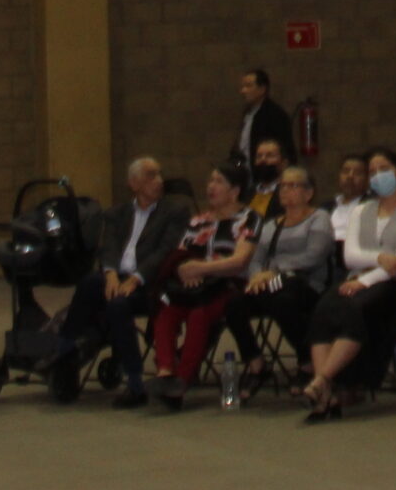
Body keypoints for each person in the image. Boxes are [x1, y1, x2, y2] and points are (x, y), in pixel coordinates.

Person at [301, 147, 396, 422]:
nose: (378, 176)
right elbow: (350, 256)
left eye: (384, 169)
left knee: (354, 307)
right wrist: (379, 258)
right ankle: (325, 391)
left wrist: (366, 280)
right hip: (358, 278)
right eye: (372, 172)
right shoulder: (361, 211)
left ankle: (323, 380)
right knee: (325, 306)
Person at [57, 157, 191, 409]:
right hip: (117, 277)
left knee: (118, 305)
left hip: (150, 284)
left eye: (159, 175)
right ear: (134, 183)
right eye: (151, 176)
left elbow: (164, 251)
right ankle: (65, 353)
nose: (159, 181)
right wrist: (109, 273)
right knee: (89, 284)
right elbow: (108, 247)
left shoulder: (174, 212)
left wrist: (136, 278)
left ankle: (135, 383)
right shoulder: (116, 214)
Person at [145, 163, 259, 408]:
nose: (210, 187)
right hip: (192, 284)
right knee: (166, 307)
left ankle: (182, 380)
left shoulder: (248, 219)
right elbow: (180, 254)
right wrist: (184, 269)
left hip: (227, 284)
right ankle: (165, 371)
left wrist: (202, 269)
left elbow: (239, 261)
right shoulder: (198, 220)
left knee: (200, 314)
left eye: (218, 182)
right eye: (210, 181)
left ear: (235, 191)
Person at [226, 164, 335, 391]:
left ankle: (306, 362)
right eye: (282, 186)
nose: (285, 191)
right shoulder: (270, 225)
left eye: (293, 186)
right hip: (271, 284)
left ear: (308, 192)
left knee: (283, 301)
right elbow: (256, 259)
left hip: (307, 284)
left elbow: (314, 256)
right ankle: (256, 363)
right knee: (233, 304)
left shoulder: (319, 218)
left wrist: (275, 270)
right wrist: (256, 276)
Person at [235, 67, 292, 170]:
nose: (243, 91)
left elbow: (286, 149)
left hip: (266, 171)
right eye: (242, 86)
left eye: (248, 86)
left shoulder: (275, 115)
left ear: (262, 89)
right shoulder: (247, 114)